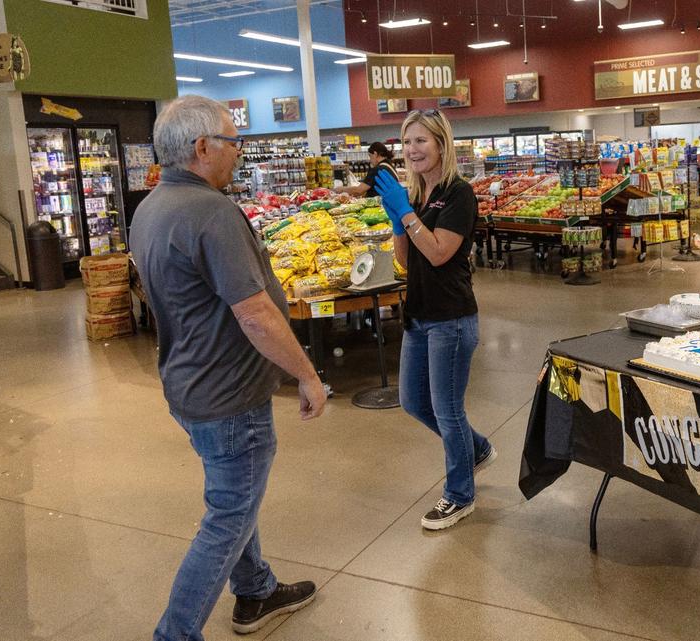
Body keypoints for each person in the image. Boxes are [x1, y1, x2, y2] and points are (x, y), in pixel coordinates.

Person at [129, 95, 327, 641]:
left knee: (236, 496)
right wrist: (307, 375)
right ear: (201, 147)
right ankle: (175, 633)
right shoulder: (213, 213)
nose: (238, 153)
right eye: (232, 141)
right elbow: (256, 314)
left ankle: (256, 590)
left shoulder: (150, 208)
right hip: (230, 397)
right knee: (227, 518)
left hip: (186, 383)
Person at [374, 110, 495, 531]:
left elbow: (442, 252)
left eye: (421, 141)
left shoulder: (458, 194)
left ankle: (460, 495)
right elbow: (407, 261)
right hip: (419, 315)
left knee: (447, 409)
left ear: (441, 144)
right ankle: (476, 449)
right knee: (413, 401)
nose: (412, 150)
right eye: (407, 143)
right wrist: (398, 221)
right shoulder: (417, 196)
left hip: (452, 318)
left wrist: (406, 215)